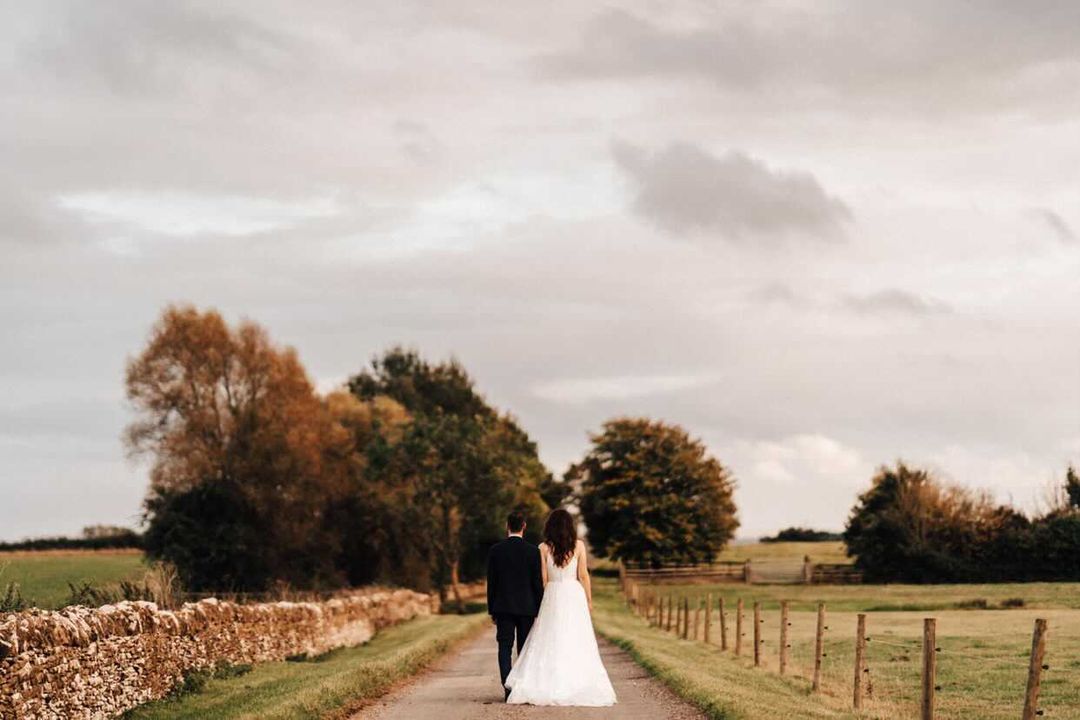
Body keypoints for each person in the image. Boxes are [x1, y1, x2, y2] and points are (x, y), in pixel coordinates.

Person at [504, 508, 617, 706]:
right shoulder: (579, 546)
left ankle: (548, 680)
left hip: (553, 594)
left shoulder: (543, 548)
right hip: (574, 594)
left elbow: (544, 579)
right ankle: (576, 681)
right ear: (570, 527)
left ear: (550, 527)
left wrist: (543, 602)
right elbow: (583, 575)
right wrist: (589, 600)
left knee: (551, 636)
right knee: (575, 637)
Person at [486, 510, 543, 701]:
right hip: (527, 608)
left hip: (503, 607)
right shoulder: (533, 551)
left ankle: (508, 689)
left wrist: (491, 609)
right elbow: (537, 583)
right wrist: (539, 608)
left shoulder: (496, 551)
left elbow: (491, 583)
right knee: (524, 649)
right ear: (524, 526)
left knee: (504, 647)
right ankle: (522, 688)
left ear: (507, 526)